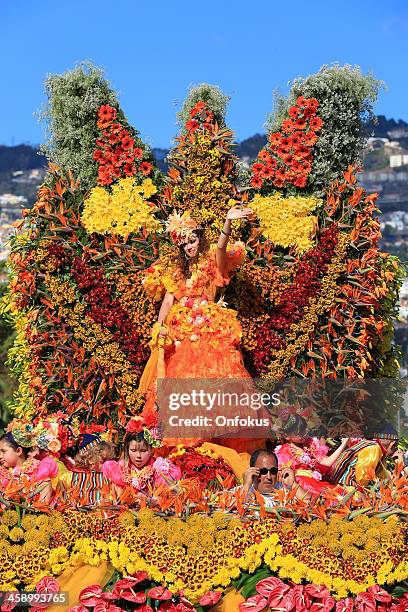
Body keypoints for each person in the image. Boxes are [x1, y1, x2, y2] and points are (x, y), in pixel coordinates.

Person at [139, 206, 271, 448]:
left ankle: (214, 443)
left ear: (200, 238)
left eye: (193, 239)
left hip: (211, 332)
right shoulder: (176, 272)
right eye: (185, 243)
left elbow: (221, 247)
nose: (190, 246)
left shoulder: (212, 264)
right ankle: (190, 446)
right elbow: (169, 300)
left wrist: (227, 224)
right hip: (181, 335)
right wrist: (159, 326)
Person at [102, 427, 181, 497]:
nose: (138, 456)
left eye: (143, 451)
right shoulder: (119, 470)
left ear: (151, 450)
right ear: (127, 450)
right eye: (133, 450)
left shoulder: (160, 469)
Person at [0, 421, 58, 505]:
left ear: (18, 451)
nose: (0, 456)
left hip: (35, 513)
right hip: (8, 514)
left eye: (3, 451)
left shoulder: (38, 469)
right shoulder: (2, 473)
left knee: (46, 483)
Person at [275, 436, 350, 495]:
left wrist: (344, 443)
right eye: (298, 432)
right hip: (304, 485)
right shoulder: (284, 451)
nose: (303, 434)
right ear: (286, 436)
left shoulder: (308, 444)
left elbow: (327, 462)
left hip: (315, 480)